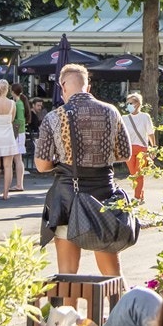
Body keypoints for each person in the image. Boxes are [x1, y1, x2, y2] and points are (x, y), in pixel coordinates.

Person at [36, 63, 130, 276]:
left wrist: (60, 161)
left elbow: (41, 165)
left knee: (68, 274)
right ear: (88, 87)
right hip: (103, 197)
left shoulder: (54, 117)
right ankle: (119, 307)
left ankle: (70, 310)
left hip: (69, 199)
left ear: (63, 86)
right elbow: (125, 153)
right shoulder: (111, 112)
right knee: (112, 274)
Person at [119, 91, 156, 202]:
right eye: (128, 103)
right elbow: (121, 134)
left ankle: (137, 197)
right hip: (129, 149)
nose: (129, 105)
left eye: (131, 103)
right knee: (133, 174)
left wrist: (153, 147)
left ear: (138, 104)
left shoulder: (145, 117)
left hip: (142, 149)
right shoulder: (124, 118)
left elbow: (150, 133)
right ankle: (140, 195)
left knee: (138, 173)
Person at [9, 84, 28, 192]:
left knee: (17, 159)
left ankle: (19, 184)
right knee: (18, 159)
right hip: (20, 132)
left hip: (18, 132)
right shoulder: (20, 102)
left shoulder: (18, 103)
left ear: (12, 92)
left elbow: (20, 120)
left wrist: (11, 122)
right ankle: (19, 184)